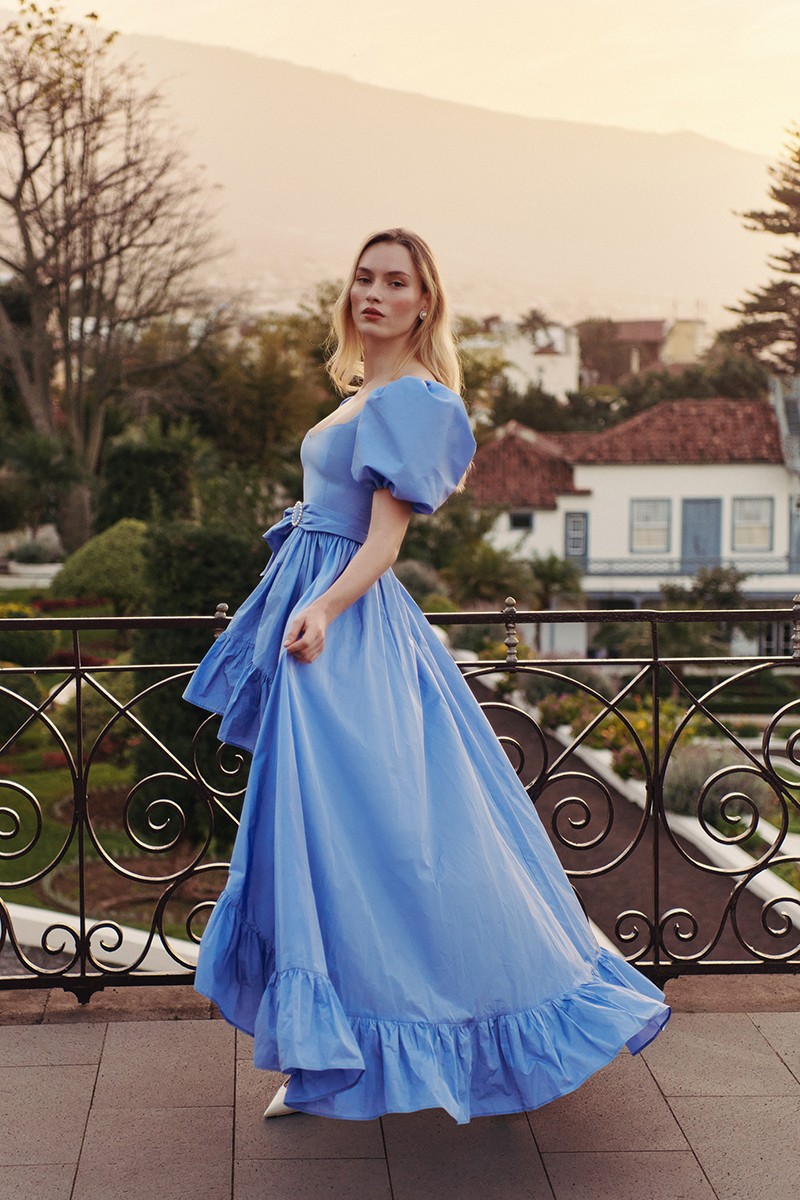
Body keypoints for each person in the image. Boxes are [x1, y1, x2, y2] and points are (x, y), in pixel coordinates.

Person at [183, 228, 669, 1125]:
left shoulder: (415, 401)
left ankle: (457, 1024)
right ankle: (322, 1049)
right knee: (318, 844)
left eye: (394, 281)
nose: (373, 292)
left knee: (386, 846)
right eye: (363, 278)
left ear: (424, 301)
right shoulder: (362, 391)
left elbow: (385, 541)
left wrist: (323, 608)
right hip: (313, 626)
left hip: (344, 638)